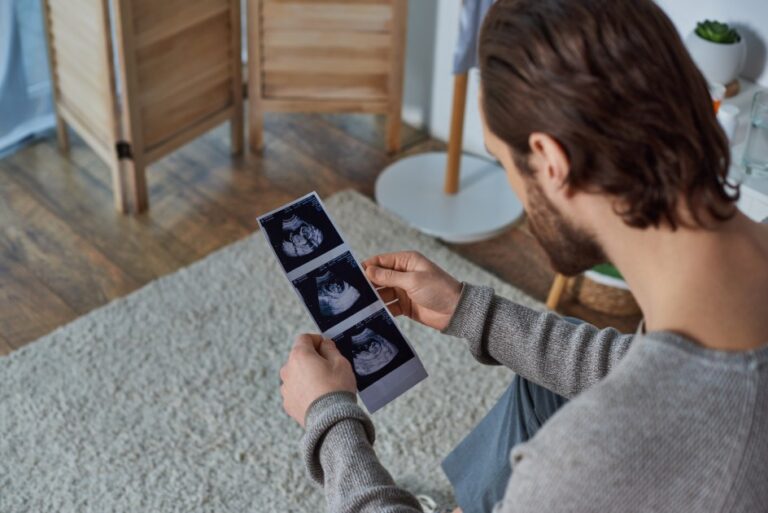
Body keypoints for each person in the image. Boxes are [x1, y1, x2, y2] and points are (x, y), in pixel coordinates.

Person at [278, 0, 768, 511]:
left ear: (552, 162)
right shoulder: (728, 285)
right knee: (540, 392)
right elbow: (644, 370)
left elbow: (648, 408)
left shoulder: (582, 463)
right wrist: (470, 311)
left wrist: (330, 420)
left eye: (503, 161)